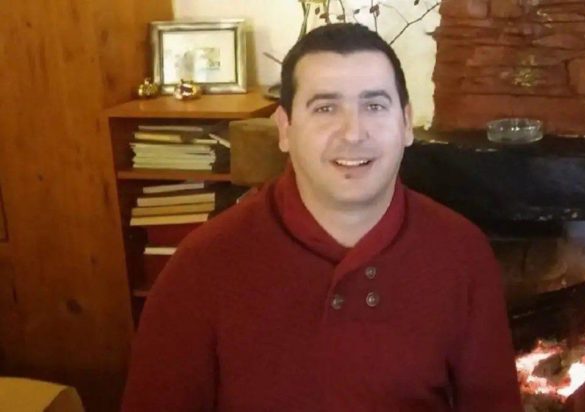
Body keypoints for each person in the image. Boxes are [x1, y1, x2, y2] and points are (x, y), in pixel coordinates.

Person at [121, 23, 522, 411]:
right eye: (326, 108)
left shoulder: (461, 252)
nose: (353, 133)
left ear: (405, 124)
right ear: (285, 129)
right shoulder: (202, 266)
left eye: (374, 105)